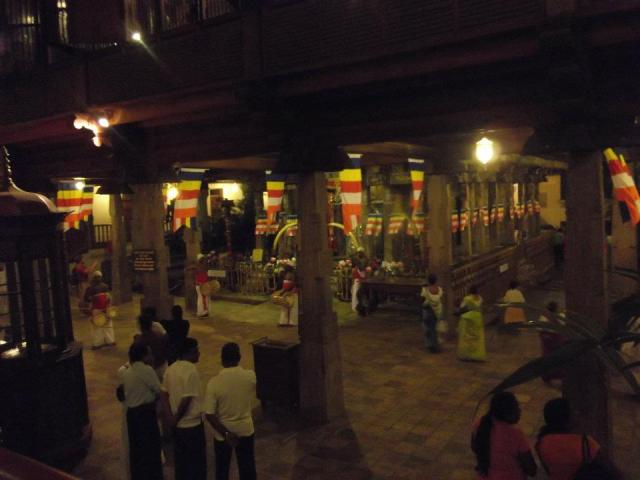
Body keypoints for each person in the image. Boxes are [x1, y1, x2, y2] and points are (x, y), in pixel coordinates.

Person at [204, 343, 257, 480]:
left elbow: (209, 414)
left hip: (222, 432)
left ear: (222, 360)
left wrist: (227, 433)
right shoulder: (250, 376)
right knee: (248, 468)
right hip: (245, 428)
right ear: (239, 357)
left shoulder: (214, 383)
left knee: (222, 469)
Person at [536, 398, 620, 480]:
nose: (576, 414)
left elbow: (548, 470)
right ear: (566, 420)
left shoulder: (542, 443)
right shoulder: (586, 444)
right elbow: (611, 471)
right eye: (573, 413)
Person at [163, 337, 206, 480]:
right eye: (197, 351)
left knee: (181, 465)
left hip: (177, 427)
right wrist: (175, 419)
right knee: (196, 467)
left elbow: (164, 395)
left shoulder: (170, 369)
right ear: (189, 353)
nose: (199, 353)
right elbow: (186, 399)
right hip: (191, 426)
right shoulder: (191, 370)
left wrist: (170, 419)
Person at [471, 391, 537, 479]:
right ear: (507, 413)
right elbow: (531, 470)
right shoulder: (515, 435)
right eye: (516, 407)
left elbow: (475, 448)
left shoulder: (479, 425)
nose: (519, 411)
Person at [123, 342, 164, 480]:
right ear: (143, 356)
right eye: (149, 354)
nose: (152, 356)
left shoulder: (127, 372)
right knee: (151, 449)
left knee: (137, 450)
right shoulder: (146, 370)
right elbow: (159, 390)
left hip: (132, 415)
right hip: (145, 414)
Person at [83, 271, 115, 349]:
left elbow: (86, 299)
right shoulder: (104, 286)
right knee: (106, 325)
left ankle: (98, 343)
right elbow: (108, 297)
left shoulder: (90, 288)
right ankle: (109, 341)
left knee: (98, 326)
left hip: (98, 309)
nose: (98, 278)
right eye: (98, 277)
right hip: (103, 308)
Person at [135, 313, 169, 381]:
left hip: (153, 369)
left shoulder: (141, 340)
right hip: (163, 366)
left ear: (141, 325)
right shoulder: (158, 334)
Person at [538, 302, 567, 383]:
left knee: (548, 358)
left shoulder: (543, 317)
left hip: (548, 341)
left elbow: (540, 329)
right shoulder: (561, 317)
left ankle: (547, 376)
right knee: (559, 358)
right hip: (557, 340)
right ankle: (559, 375)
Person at [457, 286, 486, 361]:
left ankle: (467, 354)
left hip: (468, 318)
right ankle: (476, 355)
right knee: (477, 337)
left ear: (470, 291)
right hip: (478, 317)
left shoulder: (467, 298)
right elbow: (481, 308)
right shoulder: (480, 298)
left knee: (467, 337)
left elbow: (462, 307)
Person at [420, 273, 444, 353]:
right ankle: (436, 344)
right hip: (437, 311)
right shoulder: (439, 289)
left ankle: (430, 345)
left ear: (428, 281)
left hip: (428, 310)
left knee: (428, 329)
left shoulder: (425, 290)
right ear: (436, 281)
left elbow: (422, 299)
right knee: (435, 329)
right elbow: (441, 299)